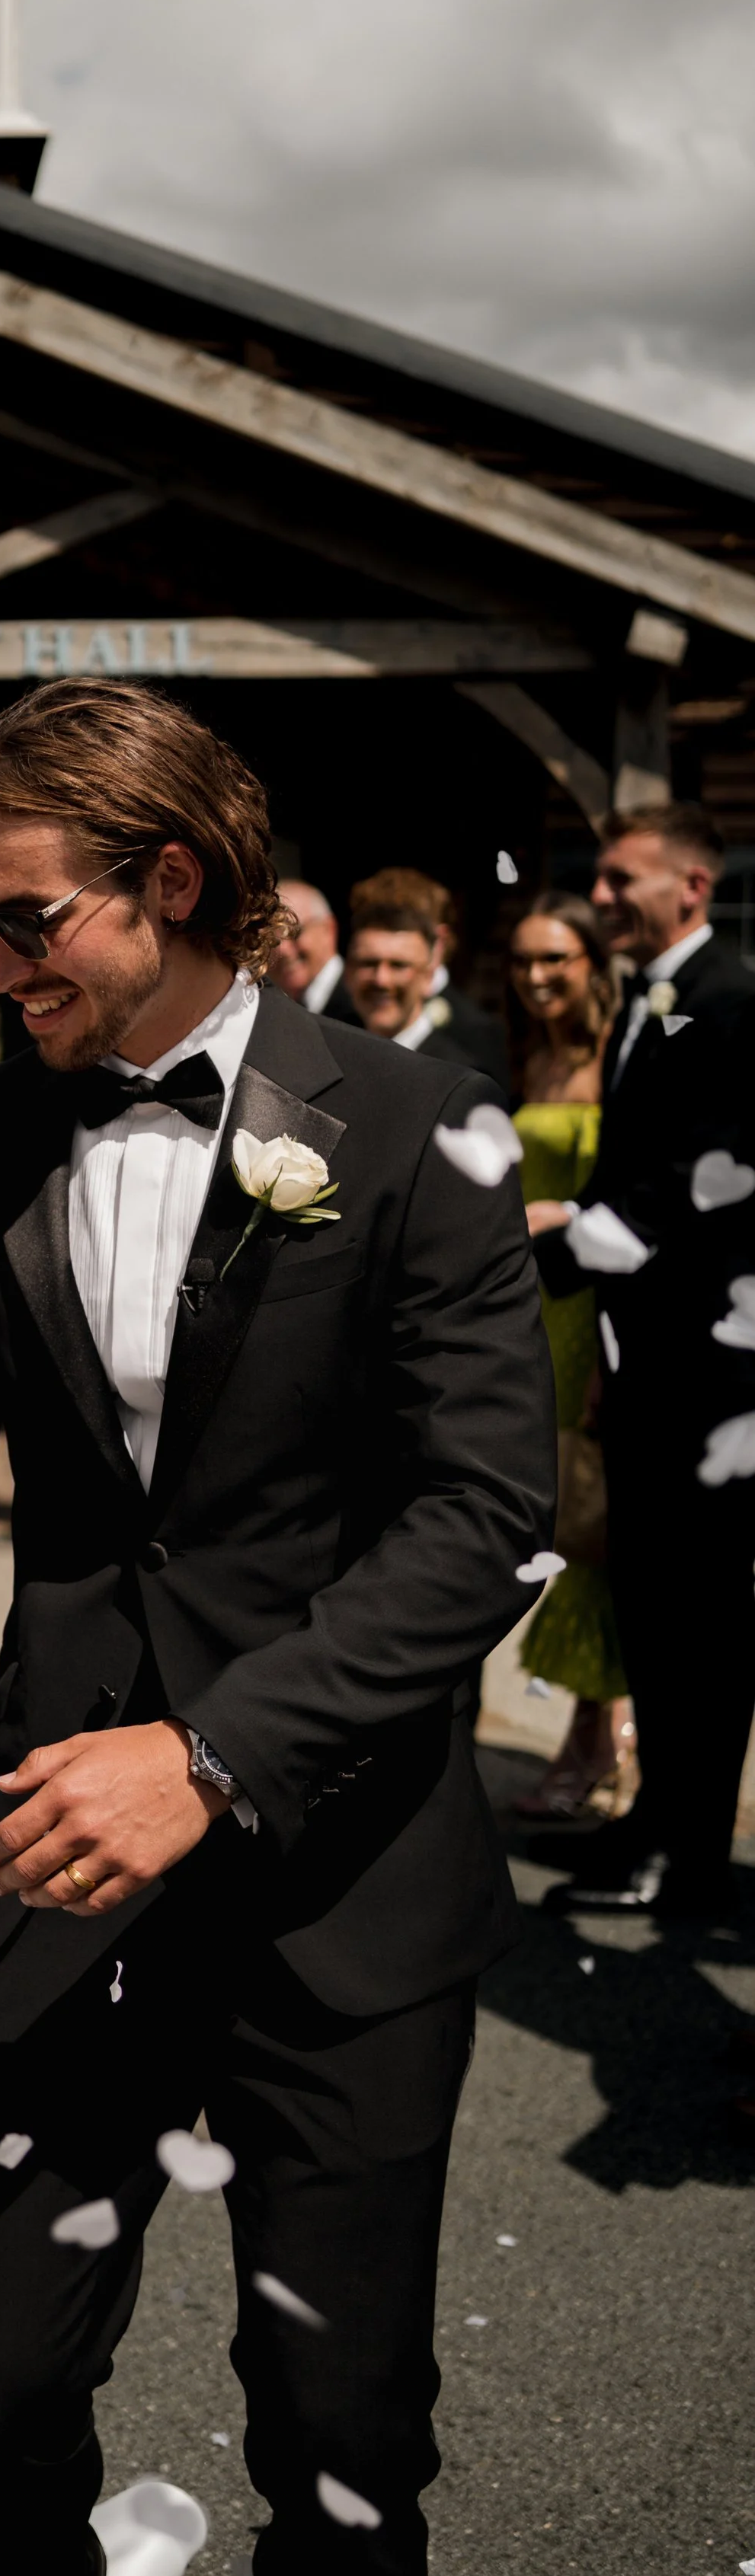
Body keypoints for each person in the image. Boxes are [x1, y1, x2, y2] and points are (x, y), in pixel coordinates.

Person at [0, 682, 554, 2576]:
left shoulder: (409, 1128)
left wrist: (212, 1753)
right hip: (55, 1842)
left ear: (173, 882)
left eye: (23, 915)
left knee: (344, 2425)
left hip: (339, 1857)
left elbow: (483, 1515)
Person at [528, 803, 755, 1924]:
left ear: (693, 886)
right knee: (657, 1608)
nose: (602, 895)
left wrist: (548, 1245)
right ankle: (662, 1817)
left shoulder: (728, 1002)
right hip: (645, 1351)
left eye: (622, 880)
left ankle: (692, 1856)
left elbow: (694, 1193)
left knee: (701, 1621)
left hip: (710, 1372)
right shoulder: (651, 1002)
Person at [504, 895, 629, 1818]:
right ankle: (586, 1731)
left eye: (555, 960)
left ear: (593, 963)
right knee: (562, 1523)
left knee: (595, 1532)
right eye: (522, 962)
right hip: (532, 1310)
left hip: (594, 1312)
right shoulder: (533, 1056)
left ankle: (605, 1731)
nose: (537, 978)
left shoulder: (624, 1053)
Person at [351, 868, 510, 1100]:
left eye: (398, 964)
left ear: (437, 943)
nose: (381, 978)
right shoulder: (341, 1028)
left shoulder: (473, 1040)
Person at [270, 879, 354, 1020]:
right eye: (271, 940)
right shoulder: (272, 1013)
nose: (283, 950)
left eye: (295, 933)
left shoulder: (361, 1000)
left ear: (329, 930)